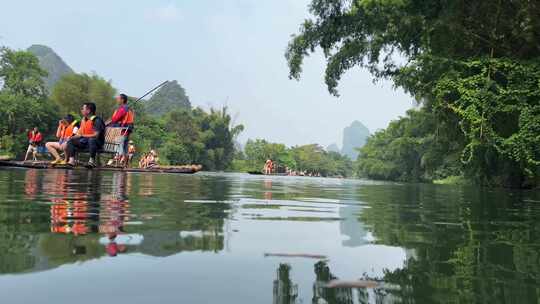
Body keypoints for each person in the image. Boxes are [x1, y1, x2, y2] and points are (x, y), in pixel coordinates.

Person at [65, 103, 106, 168]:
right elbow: (79, 134)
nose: (81, 110)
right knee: (71, 140)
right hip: (85, 142)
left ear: (88, 111)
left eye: (83, 109)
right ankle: (71, 161)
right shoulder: (83, 120)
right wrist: (72, 137)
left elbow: (96, 135)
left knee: (91, 140)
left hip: (97, 144)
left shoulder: (97, 120)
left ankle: (91, 161)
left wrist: (82, 136)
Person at [107, 93, 134, 167]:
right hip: (127, 131)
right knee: (125, 148)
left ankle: (118, 164)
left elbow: (115, 119)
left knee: (119, 147)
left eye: (118, 98)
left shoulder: (123, 109)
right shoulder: (128, 109)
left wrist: (108, 123)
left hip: (121, 131)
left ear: (122, 100)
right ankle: (125, 164)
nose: (117, 99)